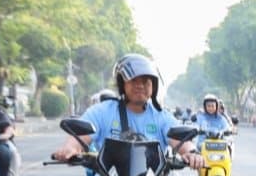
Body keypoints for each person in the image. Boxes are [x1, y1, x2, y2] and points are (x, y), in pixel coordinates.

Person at [52, 53, 204, 169]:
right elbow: (79, 138)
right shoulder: (101, 112)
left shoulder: (162, 116)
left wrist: (192, 154)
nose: (140, 85)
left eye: (145, 81)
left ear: (153, 86)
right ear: (122, 83)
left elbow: (182, 142)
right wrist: (70, 148)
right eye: (134, 80)